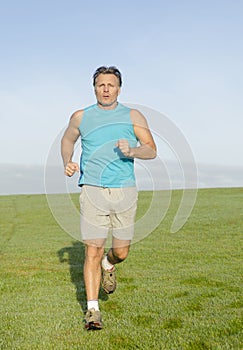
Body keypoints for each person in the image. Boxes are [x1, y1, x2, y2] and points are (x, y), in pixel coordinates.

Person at [61, 66, 157, 330]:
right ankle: (93, 311)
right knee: (92, 249)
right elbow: (67, 140)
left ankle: (109, 264)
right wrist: (68, 161)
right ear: (94, 88)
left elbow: (152, 150)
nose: (106, 89)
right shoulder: (81, 117)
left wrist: (133, 150)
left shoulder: (132, 115)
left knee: (121, 252)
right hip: (92, 189)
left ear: (119, 88)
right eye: (101, 85)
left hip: (124, 190)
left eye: (111, 85)